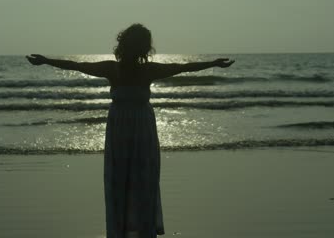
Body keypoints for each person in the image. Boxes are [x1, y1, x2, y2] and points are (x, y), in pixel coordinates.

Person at [26, 23, 235, 238]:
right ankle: (137, 229)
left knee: (124, 178)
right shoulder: (143, 70)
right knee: (142, 177)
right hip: (139, 127)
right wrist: (213, 63)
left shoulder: (115, 69)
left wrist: (45, 61)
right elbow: (183, 67)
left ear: (122, 44)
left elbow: (74, 65)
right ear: (145, 48)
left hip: (122, 127)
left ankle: (126, 229)